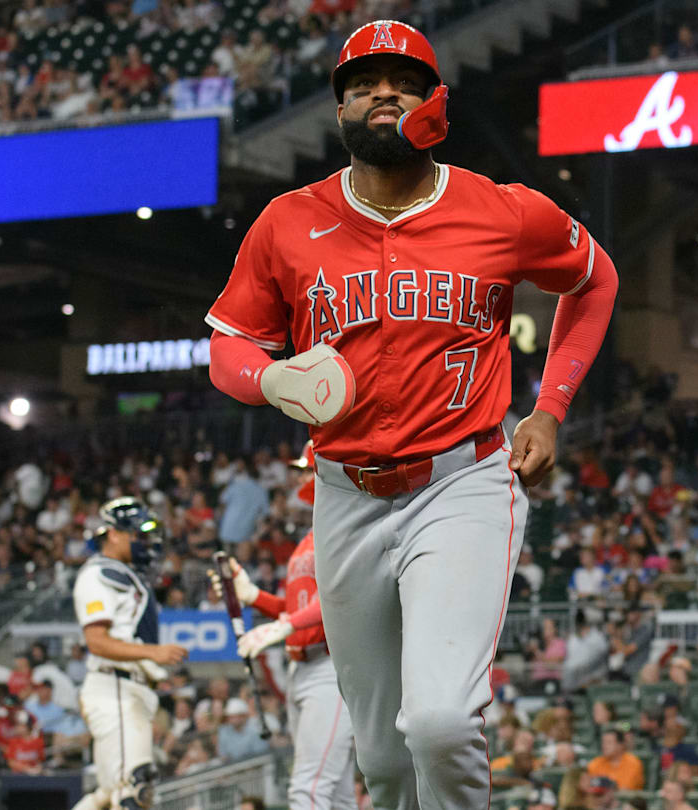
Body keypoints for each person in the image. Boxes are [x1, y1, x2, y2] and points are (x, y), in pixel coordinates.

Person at [204, 19, 617, 810]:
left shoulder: (503, 210)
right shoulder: (287, 220)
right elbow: (229, 347)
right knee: (384, 760)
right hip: (344, 494)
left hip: (462, 481)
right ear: (340, 112)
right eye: (363, 86)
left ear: (437, 103)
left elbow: (595, 280)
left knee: (439, 723)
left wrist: (550, 409)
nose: (383, 94)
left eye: (404, 82)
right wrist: (271, 378)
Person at [211, 444, 356, 810]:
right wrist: (253, 596)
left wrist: (286, 624)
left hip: (331, 666)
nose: (302, 476)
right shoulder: (309, 537)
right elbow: (296, 609)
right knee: (336, 793)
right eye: (302, 470)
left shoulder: (347, 530)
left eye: (308, 468)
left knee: (308, 788)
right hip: (301, 667)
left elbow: (339, 602)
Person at [70, 497, 188, 810]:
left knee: (108, 796)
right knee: (135, 788)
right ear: (113, 534)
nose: (144, 542)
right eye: (138, 534)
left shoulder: (126, 574)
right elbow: (97, 641)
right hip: (115, 687)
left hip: (128, 689)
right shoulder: (98, 573)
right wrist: (153, 653)